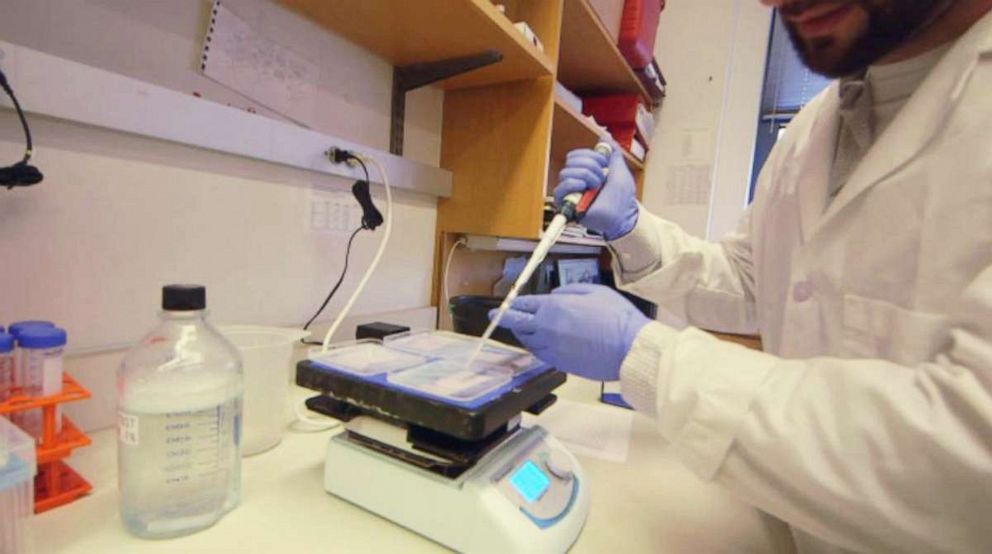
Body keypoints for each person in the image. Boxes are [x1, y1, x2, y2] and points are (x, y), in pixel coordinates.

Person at [492, 1, 992, 552]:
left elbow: (969, 452)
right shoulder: (817, 122)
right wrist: (630, 227)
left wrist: (647, 357)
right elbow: (754, 281)